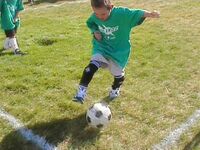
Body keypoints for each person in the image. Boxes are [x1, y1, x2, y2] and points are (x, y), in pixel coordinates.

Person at [74, 0, 160, 104]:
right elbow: (90, 23)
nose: (100, 17)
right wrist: (95, 31)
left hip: (119, 51)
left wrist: (150, 14)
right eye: (96, 13)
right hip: (102, 46)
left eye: (103, 14)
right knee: (91, 66)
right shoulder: (95, 16)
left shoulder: (121, 13)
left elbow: (137, 13)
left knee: (118, 74)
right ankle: (81, 93)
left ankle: (115, 89)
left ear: (111, 7)